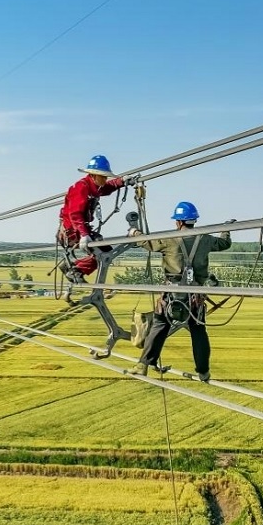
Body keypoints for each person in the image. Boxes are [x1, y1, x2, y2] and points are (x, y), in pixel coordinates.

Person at [127, 201, 232, 381]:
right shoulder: (205, 239)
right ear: (193, 221)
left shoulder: (169, 239)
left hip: (171, 294)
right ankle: (203, 371)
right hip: (195, 296)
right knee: (198, 331)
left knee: (160, 326)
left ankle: (143, 364)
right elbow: (224, 243)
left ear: (178, 222)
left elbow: (147, 242)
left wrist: (133, 232)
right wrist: (226, 228)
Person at [57, 155, 134, 283]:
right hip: (72, 231)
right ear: (94, 175)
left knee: (104, 251)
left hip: (77, 228)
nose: (105, 179)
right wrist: (83, 234)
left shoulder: (93, 186)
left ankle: (73, 268)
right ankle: (75, 270)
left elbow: (107, 188)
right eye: (103, 176)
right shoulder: (81, 187)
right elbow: (75, 214)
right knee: (105, 252)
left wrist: (121, 181)